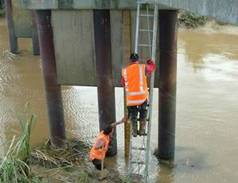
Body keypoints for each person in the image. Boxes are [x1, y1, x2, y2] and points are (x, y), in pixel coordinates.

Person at [121, 53, 156, 137]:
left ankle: (134, 131)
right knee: (143, 111)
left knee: (133, 115)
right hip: (141, 97)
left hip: (131, 98)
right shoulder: (142, 67)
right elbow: (151, 68)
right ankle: (142, 129)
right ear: (138, 60)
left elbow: (123, 83)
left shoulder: (125, 71)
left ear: (130, 60)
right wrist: (150, 62)